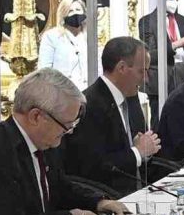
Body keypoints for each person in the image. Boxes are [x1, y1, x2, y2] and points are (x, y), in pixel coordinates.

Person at [0, 69, 127, 215]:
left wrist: (98, 202)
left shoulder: (44, 141)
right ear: (36, 116)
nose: (70, 132)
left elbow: (60, 188)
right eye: (66, 125)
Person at [67, 36, 165, 193]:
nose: (146, 79)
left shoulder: (131, 99)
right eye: (142, 71)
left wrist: (145, 150)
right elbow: (91, 168)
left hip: (140, 190)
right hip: (110, 197)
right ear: (122, 68)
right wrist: (137, 152)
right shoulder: (90, 105)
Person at [37, 2, 89, 84]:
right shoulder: (51, 36)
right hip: (62, 88)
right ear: (63, 14)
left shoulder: (90, 36)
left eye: (78, 10)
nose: (75, 13)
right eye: (70, 11)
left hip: (88, 87)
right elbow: (44, 70)